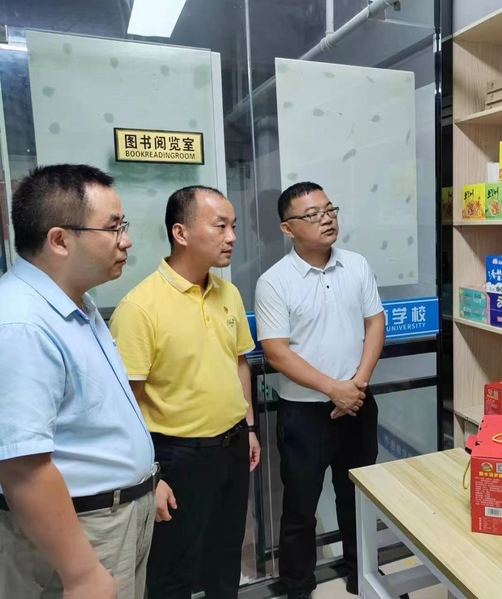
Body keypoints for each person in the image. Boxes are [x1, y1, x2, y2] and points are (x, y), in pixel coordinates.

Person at [0, 164, 157, 599]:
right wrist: (82, 573)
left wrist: (145, 479)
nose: (126, 240)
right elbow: (21, 468)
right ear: (60, 239)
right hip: (81, 531)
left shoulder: (76, 304)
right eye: (113, 227)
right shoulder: (21, 324)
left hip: (115, 515)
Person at [109, 185, 260, 599]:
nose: (232, 237)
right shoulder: (140, 308)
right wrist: (151, 476)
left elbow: (239, 363)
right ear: (181, 233)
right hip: (178, 456)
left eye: (233, 226)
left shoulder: (228, 292)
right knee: (173, 569)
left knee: (225, 557)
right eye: (220, 226)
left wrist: (248, 427)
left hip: (232, 445)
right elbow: (125, 404)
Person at [255, 182, 385, 598]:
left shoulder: (356, 265)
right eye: (312, 215)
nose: (326, 219)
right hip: (304, 415)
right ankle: (298, 587)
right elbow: (276, 352)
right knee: (300, 509)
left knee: (358, 498)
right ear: (287, 228)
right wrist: (334, 389)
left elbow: (375, 323)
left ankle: (363, 576)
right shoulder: (274, 281)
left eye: (329, 210)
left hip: (358, 404)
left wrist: (357, 385)